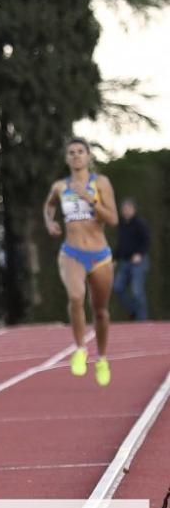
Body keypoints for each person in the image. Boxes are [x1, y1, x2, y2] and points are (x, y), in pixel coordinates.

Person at [43, 137, 118, 387]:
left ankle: (103, 358)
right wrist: (49, 221)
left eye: (80, 152)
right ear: (67, 159)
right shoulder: (60, 187)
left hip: (99, 255)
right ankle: (80, 348)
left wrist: (89, 199)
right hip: (71, 252)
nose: (76, 156)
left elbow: (113, 219)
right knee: (75, 297)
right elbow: (49, 206)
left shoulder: (101, 183)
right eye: (71, 152)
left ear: (88, 157)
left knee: (100, 312)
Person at [113, 198, 150, 321]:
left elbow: (146, 241)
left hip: (139, 262)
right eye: (124, 209)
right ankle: (133, 310)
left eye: (128, 208)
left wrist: (139, 254)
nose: (126, 211)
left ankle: (142, 320)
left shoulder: (140, 223)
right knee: (117, 288)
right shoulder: (122, 225)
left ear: (134, 209)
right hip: (124, 261)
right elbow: (121, 244)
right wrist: (114, 259)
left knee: (137, 291)